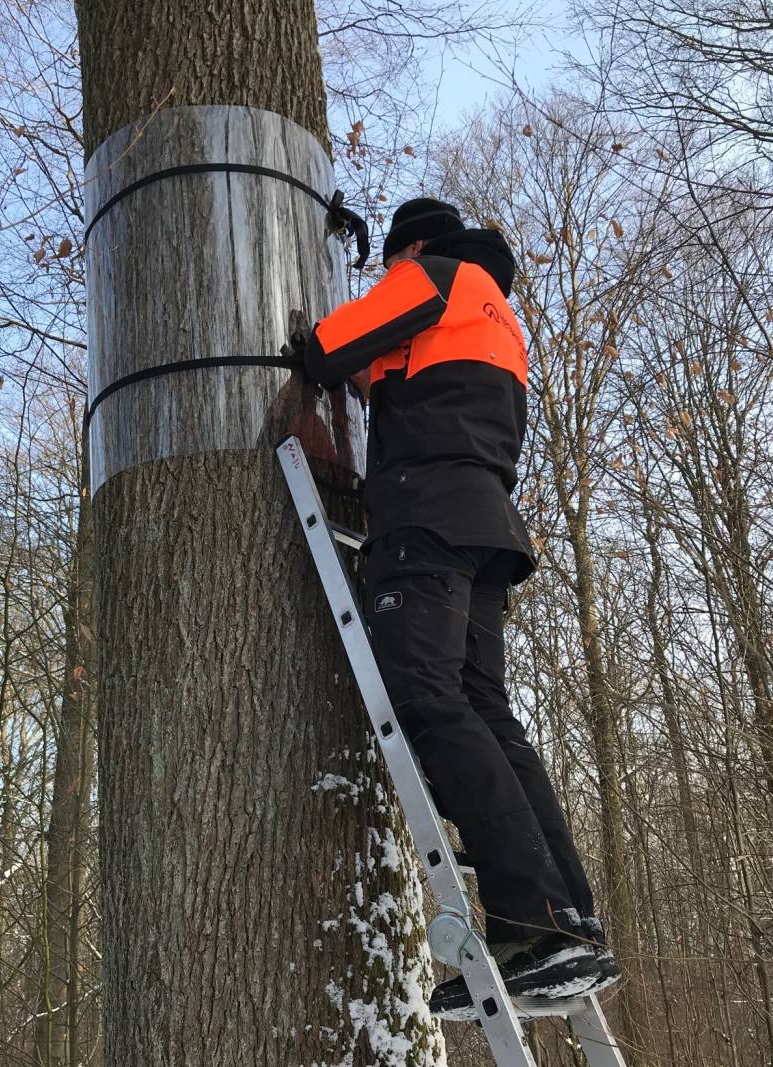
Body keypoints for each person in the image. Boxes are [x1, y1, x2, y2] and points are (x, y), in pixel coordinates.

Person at [303, 198, 620, 1017]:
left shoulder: (430, 275)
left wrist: (309, 346)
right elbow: (403, 375)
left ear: (412, 246)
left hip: (427, 511)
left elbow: (336, 347)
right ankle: (568, 919)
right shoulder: (498, 314)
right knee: (485, 706)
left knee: (428, 699)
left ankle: (535, 923)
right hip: (487, 520)